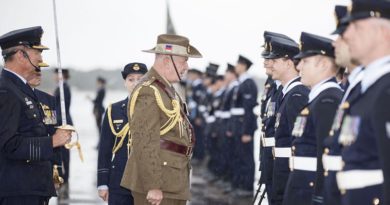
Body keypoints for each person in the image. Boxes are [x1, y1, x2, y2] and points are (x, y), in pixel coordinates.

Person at [121, 34, 202, 205]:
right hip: (159, 185)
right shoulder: (148, 91)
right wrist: (153, 186)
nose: (186, 67)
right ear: (167, 60)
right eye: (183, 61)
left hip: (172, 180)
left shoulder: (166, 89)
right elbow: (144, 141)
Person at [0, 26, 72, 205]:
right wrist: (52, 141)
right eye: (36, 52)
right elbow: (9, 145)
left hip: (32, 187)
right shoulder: (6, 91)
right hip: (17, 191)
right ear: (20, 55)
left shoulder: (20, 89)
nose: (41, 59)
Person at [336, 1, 390, 204]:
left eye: (357, 27)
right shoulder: (365, 89)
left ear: (384, 34)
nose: (347, 35)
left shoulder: (385, 90)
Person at [284, 32, 343, 205]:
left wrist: (319, 197)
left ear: (324, 64)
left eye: (305, 61)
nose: (299, 66)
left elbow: (325, 156)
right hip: (301, 188)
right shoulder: (318, 99)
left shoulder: (328, 101)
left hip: (310, 194)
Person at [322, 5, 364, 205]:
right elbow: (348, 136)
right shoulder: (352, 87)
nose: (336, 43)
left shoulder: (371, 87)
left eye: (343, 35)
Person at [265, 36, 309, 205]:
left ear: (289, 63)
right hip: (280, 171)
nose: (269, 64)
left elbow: (298, 143)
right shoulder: (287, 93)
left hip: (288, 176)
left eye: (274, 60)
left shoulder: (297, 95)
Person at [97, 62, 148, 205]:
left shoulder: (156, 110)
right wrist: (102, 183)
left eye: (141, 79)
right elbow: (105, 149)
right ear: (125, 83)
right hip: (119, 179)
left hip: (147, 181)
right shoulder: (114, 110)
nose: (135, 83)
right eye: (131, 79)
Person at [231, 55, 258, 197]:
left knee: (246, 157)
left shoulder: (248, 83)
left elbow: (248, 109)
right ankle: (240, 184)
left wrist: (247, 131)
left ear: (243, 66)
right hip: (238, 125)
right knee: (239, 155)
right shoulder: (241, 82)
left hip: (244, 126)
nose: (236, 66)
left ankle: (247, 188)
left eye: (238, 64)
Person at [53, 68, 73, 200]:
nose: (54, 76)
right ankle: (61, 181)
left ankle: (63, 182)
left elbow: (61, 109)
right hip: (61, 122)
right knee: (61, 156)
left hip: (62, 123)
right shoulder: (61, 87)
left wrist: (57, 124)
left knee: (63, 156)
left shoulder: (63, 88)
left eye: (56, 74)